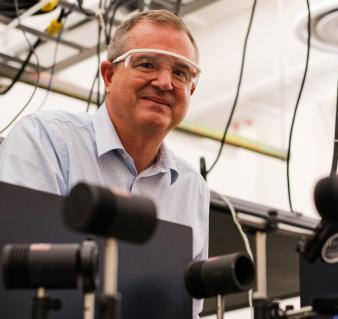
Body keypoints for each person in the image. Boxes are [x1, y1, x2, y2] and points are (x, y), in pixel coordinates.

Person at [0, 9, 209, 318]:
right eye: (147, 64)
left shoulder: (192, 187)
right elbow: (21, 275)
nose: (165, 82)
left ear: (191, 89)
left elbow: (186, 306)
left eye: (181, 72)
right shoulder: (47, 140)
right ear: (109, 75)